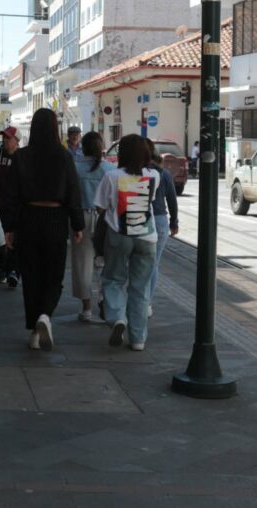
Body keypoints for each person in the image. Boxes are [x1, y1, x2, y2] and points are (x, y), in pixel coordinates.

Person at [4, 108, 84, 351]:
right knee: (54, 275)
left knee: (31, 276)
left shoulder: (21, 156)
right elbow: (73, 191)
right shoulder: (64, 157)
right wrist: (77, 224)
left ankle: (34, 333)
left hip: (28, 219)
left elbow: (11, 195)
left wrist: (9, 227)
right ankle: (45, 316)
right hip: (56, 219)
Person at [95, 135, 160, 351]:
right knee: (140, 288)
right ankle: (138, 339)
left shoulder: (112, 176)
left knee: (113, 280)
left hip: (119, 236)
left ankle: (117, 318)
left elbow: (100, 207)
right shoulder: (154, 176)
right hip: (147, 238)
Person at [71, 131, 114, 322]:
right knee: (106, 263)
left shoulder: (75, 167)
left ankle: (86, 308)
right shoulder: (110, 169)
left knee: (82, 264)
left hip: (81, 219)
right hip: (105, 218)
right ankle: (105, 300)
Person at [144, 138, 178, 319]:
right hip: (160, 220)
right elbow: (172, 200)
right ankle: (147, 303)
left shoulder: (137, 172)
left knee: (138, 263)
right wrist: (174, 223)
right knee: (154, 264)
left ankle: (138, 300)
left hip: (142, 220)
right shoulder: (164, 174)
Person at [0, 126, 21, 287]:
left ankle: (13, 270)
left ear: (17, 141)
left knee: (14, 239)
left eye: (8, 138)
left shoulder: (22, 159)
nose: (5, 141)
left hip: (15, 206)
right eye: (4, 138)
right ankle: (1, 269)